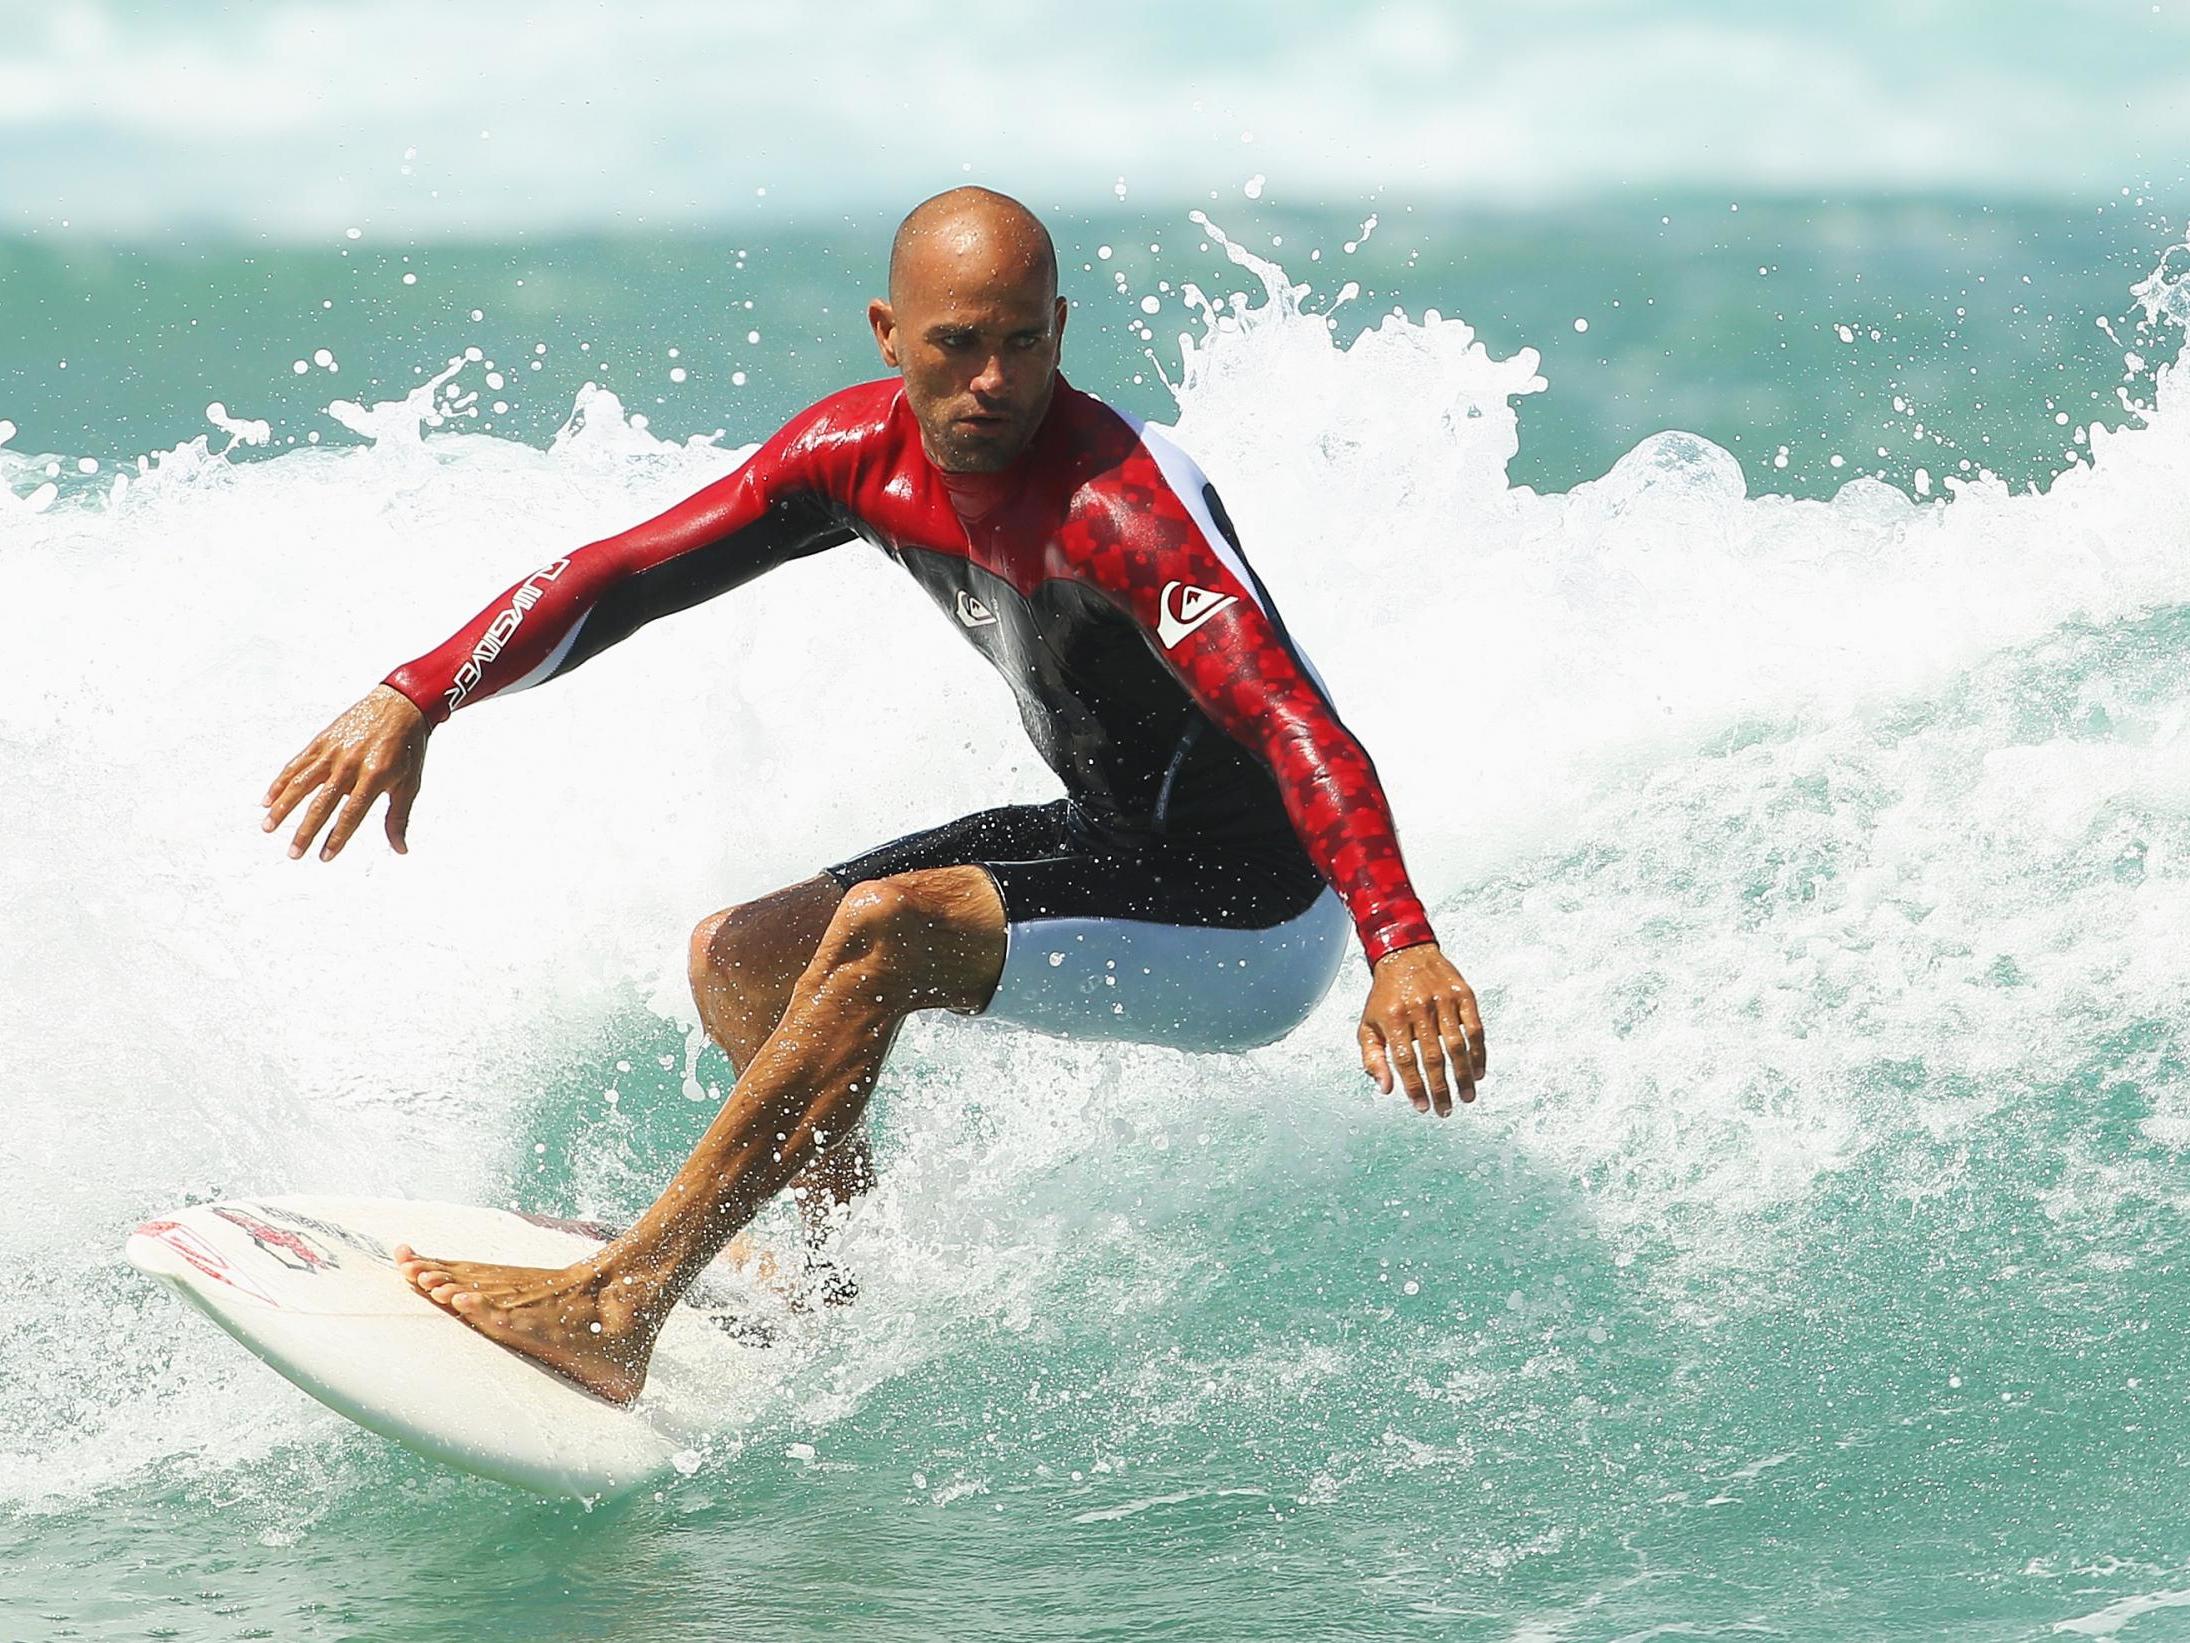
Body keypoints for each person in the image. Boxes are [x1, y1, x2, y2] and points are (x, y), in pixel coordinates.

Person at [261, 187, 1488, 1405]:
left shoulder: (1124, 510)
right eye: (957, 343)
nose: (993, 380)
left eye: (1024, 342)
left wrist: (1403, 942)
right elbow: (625, 572)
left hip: (1261, 910)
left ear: (1061, 328)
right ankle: (836, 1284)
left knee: (885, 932)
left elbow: (1293, 721)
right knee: (743, 959)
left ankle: (617, 1303)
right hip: (1118, 838)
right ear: (889, 335)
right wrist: (420, 692)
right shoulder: (853, 457)